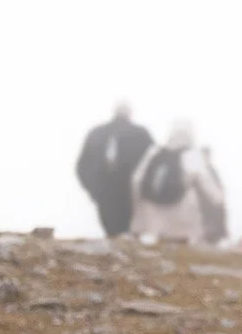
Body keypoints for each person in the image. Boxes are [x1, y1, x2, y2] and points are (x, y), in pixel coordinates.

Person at [129, 122, 229, 245]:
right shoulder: (191, 155)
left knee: (155, 245)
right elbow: (205, 181)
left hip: (153, 215)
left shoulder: (154, 152)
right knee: (180, 245)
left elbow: (136, 179)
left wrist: (140, 207)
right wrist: (218, 199)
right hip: (181, 214)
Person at [75, 103, 153, 238]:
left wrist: (94, 189)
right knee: (118, 232)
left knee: (121, 232)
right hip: (112, 192)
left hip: (123, 193)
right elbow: (82, 166)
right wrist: (93, 189)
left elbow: (152, 165)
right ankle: (120, 254)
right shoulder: (98, 133)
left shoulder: (140, 134)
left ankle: (122, 254)